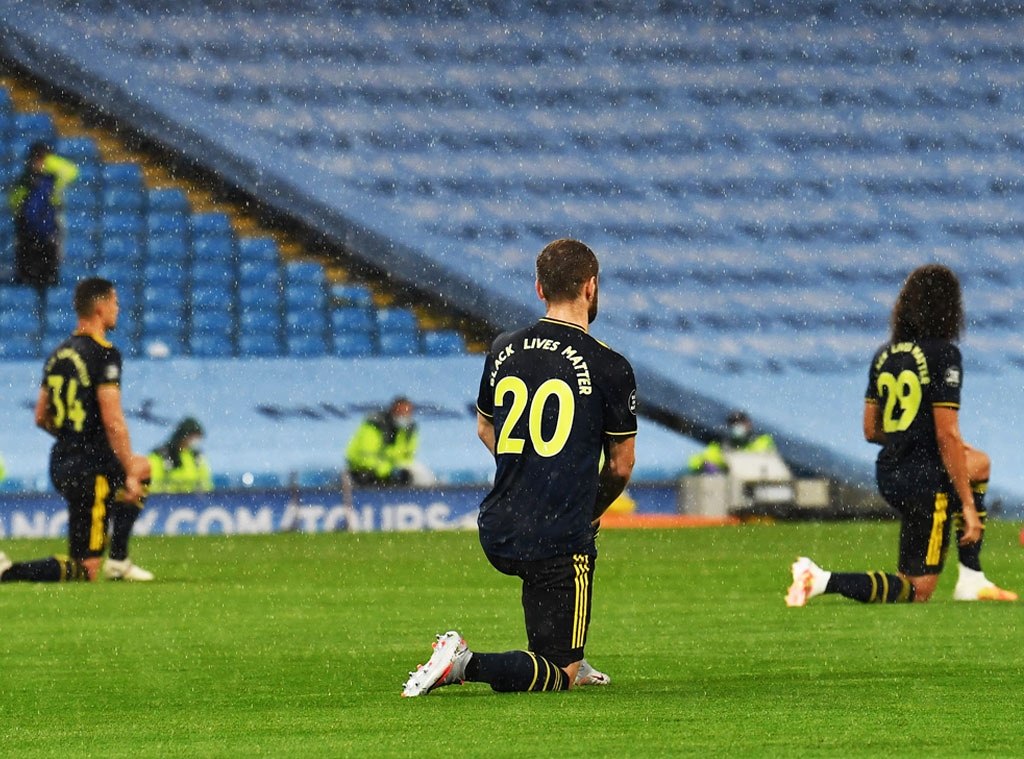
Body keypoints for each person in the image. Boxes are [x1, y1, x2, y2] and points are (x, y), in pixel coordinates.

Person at [402, 238, 637, 697]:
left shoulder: (504, 347)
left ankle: (562, 649)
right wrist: (587, 509)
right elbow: (621, 466)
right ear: (590, 287)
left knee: (544, 576)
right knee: (558, 674)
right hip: (555, 534)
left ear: (539, 288)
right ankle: (463, 663)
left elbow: (484, 428)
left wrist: (528, 476)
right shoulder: (609, 365)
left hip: (499, 525)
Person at [786, 264, 1001, 606]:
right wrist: (968, 508)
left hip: (891, 473)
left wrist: (911, 440)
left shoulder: (885, 354)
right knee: (917, 592)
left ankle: (972, 578)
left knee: (978, 463)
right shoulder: (944, 354)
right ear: (949, 308)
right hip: (926, 481)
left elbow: (871, 430)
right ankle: (822, 579)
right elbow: (946, 435)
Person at [0, 277, 152, 583]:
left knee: (143, 466)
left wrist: (72, 437)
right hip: (92, 467)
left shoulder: (59, 353)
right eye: (115, 302)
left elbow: (41, 416)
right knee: (85, 571)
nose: (118, 308)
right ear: (100, 307)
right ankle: (8, 571)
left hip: (63, 461)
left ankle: (119, 561)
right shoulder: (104, 354)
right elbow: (113, 420)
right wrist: (126, 471)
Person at [8, 141, 78, 304]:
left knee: (49, 282)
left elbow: (73, 171)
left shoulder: (52, 179)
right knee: (26, 281)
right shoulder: (24, 181)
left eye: (42, 159)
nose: (39, 163)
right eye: (37, 159)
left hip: (48, 238)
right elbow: (15, 205)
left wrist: (50, 162)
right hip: (27, 238)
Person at [345, 397, 426, 486]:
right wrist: (389, 468)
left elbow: (408, 455)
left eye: (407, 412)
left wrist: (403, 467)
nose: (404, 415)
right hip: (362, 472)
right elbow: (365, 457)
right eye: (401, 412)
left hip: (387, 473)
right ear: (393, 411)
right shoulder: (375, 425)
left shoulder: (409, 430)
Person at [688, 410, 777, 473]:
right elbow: (694, 462)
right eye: (733, 423)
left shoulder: (763, 441)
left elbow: (773, 462)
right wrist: (704, 464)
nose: (737, 426)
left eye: (740, 422)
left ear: (748, 424)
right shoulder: (722, 446)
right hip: (734, 488)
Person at [148, 416, 214, 493]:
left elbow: (206, 485)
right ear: (184, 435)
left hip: (193, 499)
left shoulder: (197, 457)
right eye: (194, 437)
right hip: (167, 499)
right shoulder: (159, 456)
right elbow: (152, 487)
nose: (196, 441)